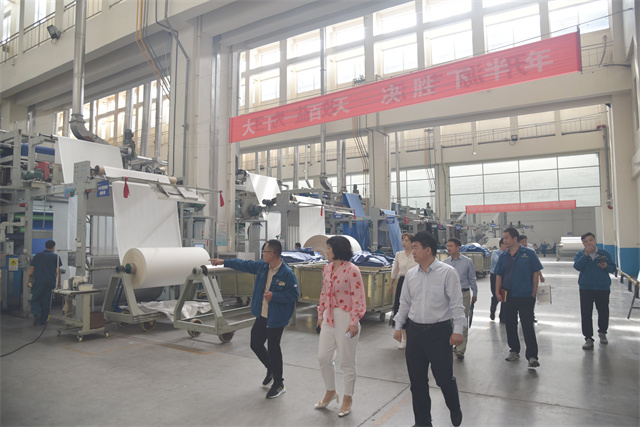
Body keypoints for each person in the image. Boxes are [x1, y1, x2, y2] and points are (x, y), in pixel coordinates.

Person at [210, 240, 299, 399]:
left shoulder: (287, 274)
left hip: (276, 318)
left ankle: (279, 383)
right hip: (262, 314)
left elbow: (293, 295)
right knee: (255, 344)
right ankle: (270, 368)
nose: (262, 254)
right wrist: (223, 262)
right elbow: (245, 265)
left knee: (273, 348)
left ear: (272, 254)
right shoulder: (263, 267)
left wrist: (275, 296)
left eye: (264, 251)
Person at [393, 231, 465, 427]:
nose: (412, 251)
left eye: (415, 247)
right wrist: (398, 326)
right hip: (415, 333)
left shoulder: (447, 273)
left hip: (439, 334)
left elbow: (457, 304)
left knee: (443, 379)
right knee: (417, 383)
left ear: (428, 250)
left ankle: (454, 407)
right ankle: (423, 422)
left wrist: (458, 330)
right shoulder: (410, 275)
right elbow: (405, 303)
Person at [316, 236, 366, 417]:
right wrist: (320, 315)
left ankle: (347, 397)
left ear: (337, 249)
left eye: (329, 248)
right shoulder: (327, 268)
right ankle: (330, 391)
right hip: (328, 318)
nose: (326, 251)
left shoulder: (352, 270)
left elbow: (358, 297)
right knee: (323, 357)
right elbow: (324, 293)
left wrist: (354, 322)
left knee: (346, 360)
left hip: (345, 319)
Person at [495, 228, 543, 369]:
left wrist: (534, 291)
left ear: (515, 239)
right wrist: (497, 291)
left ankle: (532, 356)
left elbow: (535, 272)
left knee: (527, 325)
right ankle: (514, 350)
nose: (504, 240)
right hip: (508, 295)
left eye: (506, 238)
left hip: (526, 295)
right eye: (504, 238)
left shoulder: (529, 254)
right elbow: (499, 275)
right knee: (510, 324)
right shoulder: (503, 256)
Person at [573, 232, 616, 350]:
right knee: (586, 313)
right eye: (586, 242)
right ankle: (588, 338)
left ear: (595, 241)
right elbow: (577, 267)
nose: (589, 243)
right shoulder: (580, 254)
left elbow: (613, 268)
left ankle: (602, 332)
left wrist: (606, 266)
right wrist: (585, 255)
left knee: (603, 311)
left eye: (591, 240)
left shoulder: (604, 254)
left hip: (602, 288)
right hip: (586, 288)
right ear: (583, 244)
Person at [442, 238, 477, 360]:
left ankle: (460, 349)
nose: (448, 248)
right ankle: (451, 344)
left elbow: (472, 278)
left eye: (451, 246)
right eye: (448, 246)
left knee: (462, 320)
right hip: (449, 296)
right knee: (449, 321)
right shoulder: (445, 263)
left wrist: (475, 293)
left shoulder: (467, 262)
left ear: (458, 247)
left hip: (463, 294)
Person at [387, 233, 417, 349]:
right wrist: (391, 284)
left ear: (412, 242)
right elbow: (395, 270)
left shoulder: (416, 254)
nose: (404, 243)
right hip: (402, 281)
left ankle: (413, 337)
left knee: (413, 307)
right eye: (403, 240)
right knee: (401, 307)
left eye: (406, 240)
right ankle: (404, 339)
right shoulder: (399, 255)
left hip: (415, 282)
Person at [27, 240, 62, 326]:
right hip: (50, 282)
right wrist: (59, 283)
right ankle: (43, 321)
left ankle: (37, 313)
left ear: (45, 246)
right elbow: (58, 272)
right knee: (46, 301)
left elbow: (31, 270)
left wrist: (28, 280)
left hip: (39, 281)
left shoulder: (38, 255)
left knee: (35, 299)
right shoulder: (56, 257)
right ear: (53, 247)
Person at [519, 234, 543, 323]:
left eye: (525, 241)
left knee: (532, 298)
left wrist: (541, 276)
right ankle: (522, 316)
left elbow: (536, 266)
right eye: (522, 242)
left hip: (531, 279)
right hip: (521, 281)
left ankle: (531, 316)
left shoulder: (531, 251)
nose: (524, 243)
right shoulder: (515, 253)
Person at [489, 238, 507, 322]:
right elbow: (498, 261)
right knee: (496, 295)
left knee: (504, 295)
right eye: (505, 244)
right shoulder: (495, 253)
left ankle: (502, 316)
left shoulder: (509, 253)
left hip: (505, 276)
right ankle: (492, 311)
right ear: (501, 245)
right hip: (495, 276)